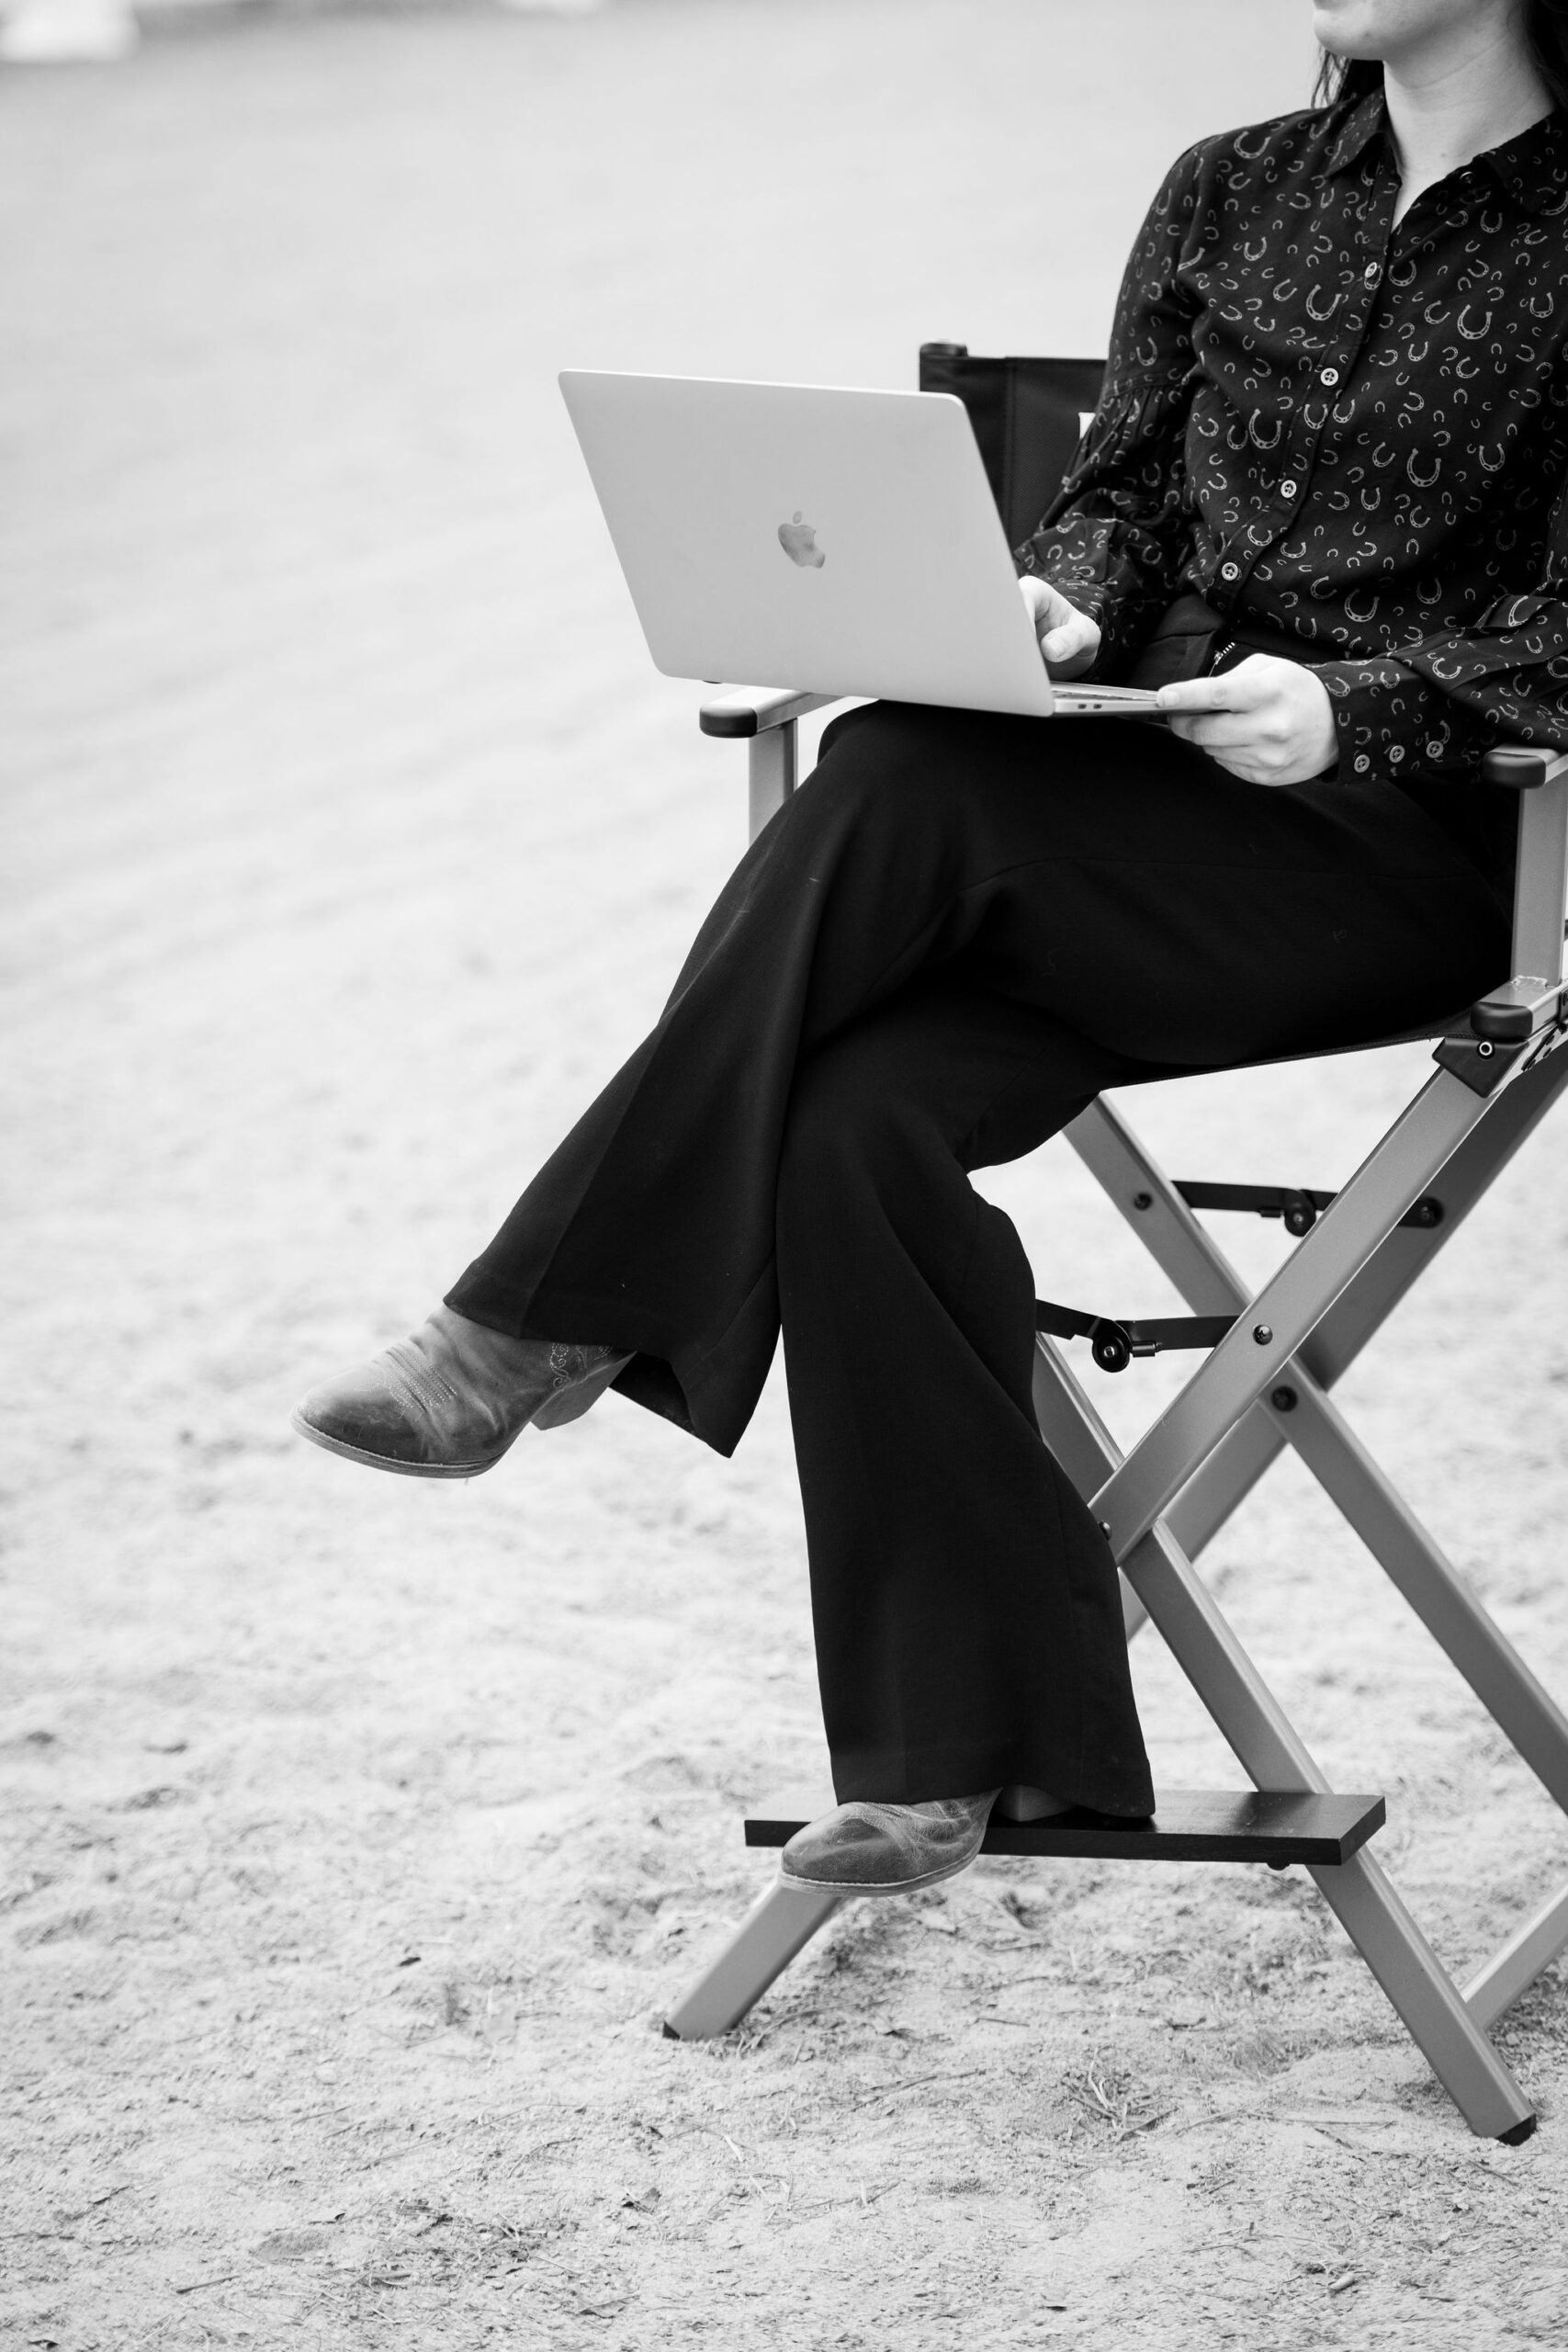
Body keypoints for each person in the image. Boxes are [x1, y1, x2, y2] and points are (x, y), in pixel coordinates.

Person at [295, 0, 1568, 1901]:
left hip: (1439, 842)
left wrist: (1363, 703)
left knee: (893, 777)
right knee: (846, 1116)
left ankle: (527, 1323)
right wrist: (1056, 605)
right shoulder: (1227, 190)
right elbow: (1122, 498)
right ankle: (951, 1754)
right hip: (1169, 808)